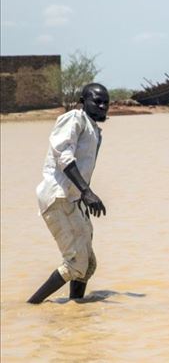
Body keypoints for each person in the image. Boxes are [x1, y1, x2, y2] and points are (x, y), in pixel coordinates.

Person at [27, 84, 110, 304]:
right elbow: (63, 156)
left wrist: (84, 196)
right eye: (97, 101)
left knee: (88, 264)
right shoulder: (74, 118)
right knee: (75, 263)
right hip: (59, 197)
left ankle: (76, 309)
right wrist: (87, 191)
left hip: (74, 199)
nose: (102, 106)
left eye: (105, 103)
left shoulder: (93, 129)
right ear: (83, 101)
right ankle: (31, 306)